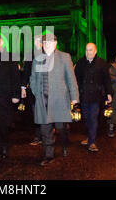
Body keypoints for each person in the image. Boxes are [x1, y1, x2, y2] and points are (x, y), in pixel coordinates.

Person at [30, 33, 79, 166]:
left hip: (60, 100)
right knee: (45, 129)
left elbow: (71, 79)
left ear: (55, 44)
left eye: (50, 43)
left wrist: (74, 98)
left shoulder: (64, 57)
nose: (47, 45)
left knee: (61, 128)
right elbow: (33, 78)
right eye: (45, 43)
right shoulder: (37, 59)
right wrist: (36, 92)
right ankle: (48, 155)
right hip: (43, 100)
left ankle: (64, 144)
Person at [75, 43, 113, 152]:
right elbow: (76, 80)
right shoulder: (80, 63)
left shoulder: (102, 63)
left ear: (95, 51)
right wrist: (75, 94)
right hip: (84, 95)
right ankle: (89, 137)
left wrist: (109, 93)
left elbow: (107, 79)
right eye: (87, 50)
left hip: (96, 96)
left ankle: (92, 142)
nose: (88, 52)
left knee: (93, 118)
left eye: (90, 50)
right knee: (86, 118)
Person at [21, 34, 43, 146]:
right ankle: (38, 135)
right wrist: (23, 87)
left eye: (39, 41)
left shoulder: (48, 53)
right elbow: (26, 71)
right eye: (36, 41)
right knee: (36, 112)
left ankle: (47, 133)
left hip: (46, 88)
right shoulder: (30, 54)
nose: (37, 43)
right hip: (34, 89)